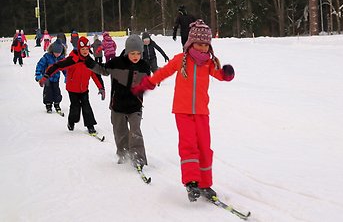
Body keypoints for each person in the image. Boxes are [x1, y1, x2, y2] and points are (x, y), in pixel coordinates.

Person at [131, 19, 235, 202]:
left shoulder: (209, 63)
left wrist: (227, 73)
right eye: (199, 44)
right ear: (191, 43)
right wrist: (147, 84)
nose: (203, 48)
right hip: (183, 111)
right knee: (189, 145)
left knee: (204, 147)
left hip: (202, 112)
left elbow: (220, 75)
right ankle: (191, 182)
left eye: (206, 44)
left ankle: (205, 183)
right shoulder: (181, 60)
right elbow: (163, 72)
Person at [85, 35, 151, 169]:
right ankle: (124, 154)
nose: (135, 56)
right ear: (127, 51)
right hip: (118, 105)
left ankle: (138, 158)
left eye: (138, 53)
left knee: (135, 132)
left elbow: (145, 83)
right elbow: (103, 70)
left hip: (135, 106)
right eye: (132, 53)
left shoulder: (144, 66)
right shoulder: (117, 63)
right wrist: (89, 62)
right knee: (120, 132)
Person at [39, 36, 105, 134]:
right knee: (75, 107)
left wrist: (101, 88)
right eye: (83, 49)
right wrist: (46, 76)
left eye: (87, 49)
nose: (85, 51)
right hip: (72, 89)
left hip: (84, 89)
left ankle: (90, 125)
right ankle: (71, 121)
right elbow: (57, 66)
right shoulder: (72, 60)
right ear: (79, 49)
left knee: (86, 106)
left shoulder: (90, 62)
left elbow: (96, 75)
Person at [35, 39, 66, 113]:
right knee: (48, 91)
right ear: (52, 51)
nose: (57, 54)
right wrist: (38, 74)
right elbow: (40, 65)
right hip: (47, 78)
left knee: (56, 91)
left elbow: (65, 69)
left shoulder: (61, 59)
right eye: (56, 52)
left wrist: (67, 76)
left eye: (59, 53)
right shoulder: (47, 57)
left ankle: (57, 103)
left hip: (56, 78)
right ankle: (48, 104)